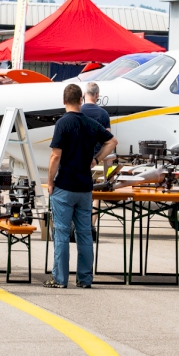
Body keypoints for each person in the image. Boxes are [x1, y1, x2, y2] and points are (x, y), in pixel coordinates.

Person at [44, 83, 118, 289]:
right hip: (85, 188)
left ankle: (60, 278)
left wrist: (50, 182)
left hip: (65, 186)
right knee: (84, 233)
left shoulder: (62, 124)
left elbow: (55, 156)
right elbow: (112, 141)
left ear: (63, 101)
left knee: (61, 232)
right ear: (80, 100)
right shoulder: (90, 123)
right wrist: (95, 159)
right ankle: (85, 279)